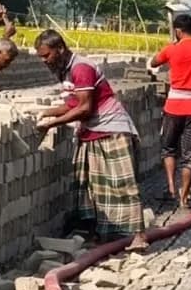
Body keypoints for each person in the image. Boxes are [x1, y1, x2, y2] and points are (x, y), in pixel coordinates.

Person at [34, 30, 149, 251]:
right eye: (40, 56)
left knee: (121, 185)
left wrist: (51, 124)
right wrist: (47, 112)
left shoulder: (81, 69)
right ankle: (102, 235)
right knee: (93, 188)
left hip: (112, 131)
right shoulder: (65, 71)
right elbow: (72, 105)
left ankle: (137, 236)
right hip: (91, 132)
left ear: (60, 49)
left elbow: (85, 108)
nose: (43, 61)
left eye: (46, 55)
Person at [149, 11, 191, 209]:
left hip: (174, 106)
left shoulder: (171, 50)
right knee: (189, 155)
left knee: (169, 148)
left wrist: (172, 48)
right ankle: (184, 197)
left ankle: (170, 187)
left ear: (177, 31)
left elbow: (153, 62)